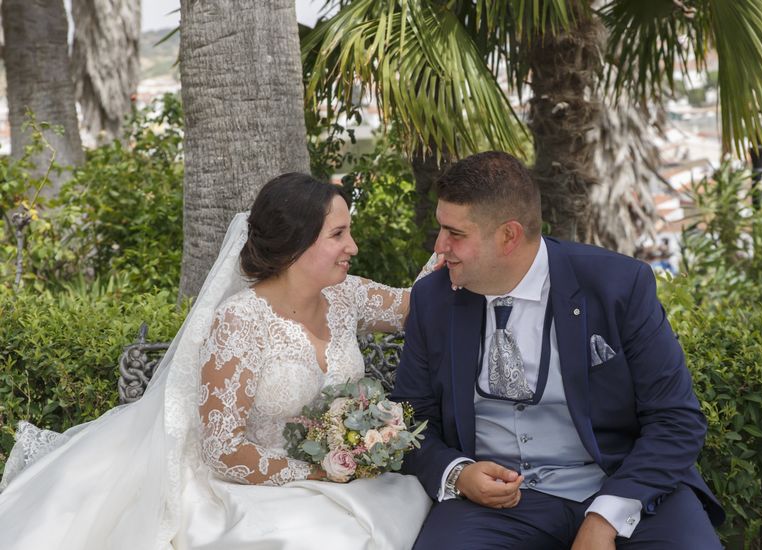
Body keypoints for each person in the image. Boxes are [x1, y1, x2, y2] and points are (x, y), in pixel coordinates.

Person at [0, 172, 433, 549]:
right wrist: (321, 470)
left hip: (338, 482)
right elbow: (224, 449)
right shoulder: (239, 320)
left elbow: (421, 305)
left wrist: (454, 246)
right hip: (252, 487)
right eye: (338, 235)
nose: (352, 247)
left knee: (411, 509)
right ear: (295, 243)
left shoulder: (347, 297)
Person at [391, 151, 725, 549]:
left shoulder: (618, 285)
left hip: (619, 484)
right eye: (441, 229)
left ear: (508, 236)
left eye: (455, 234)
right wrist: (458, 473)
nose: (440, 246)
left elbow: (676, 419)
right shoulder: (434, 298)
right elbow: (411, 421)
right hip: (494, 507)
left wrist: (605, 517)